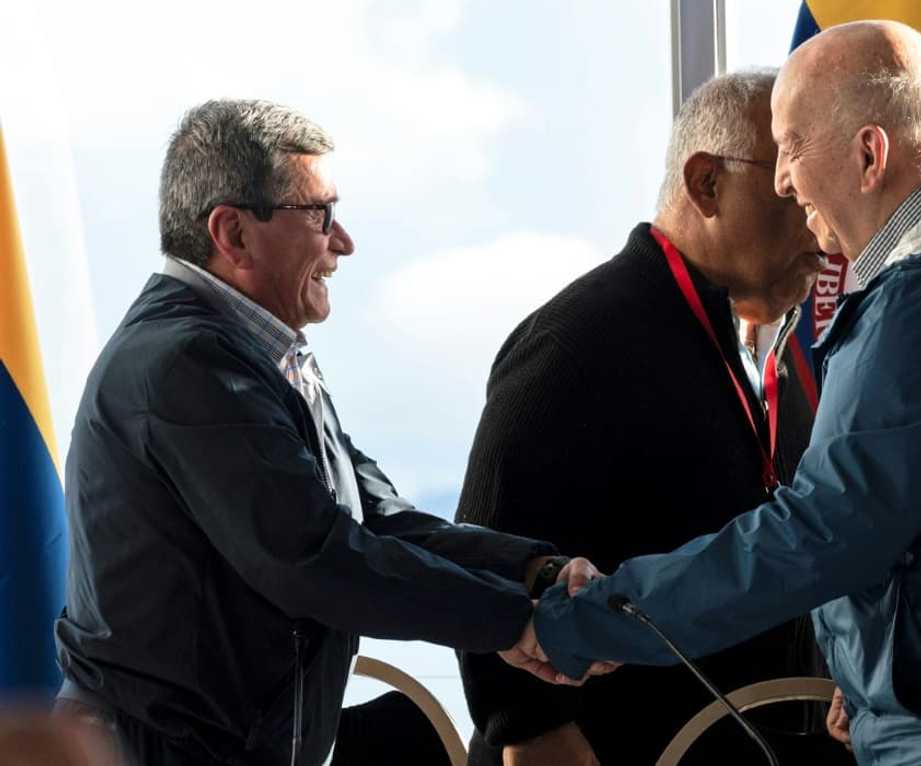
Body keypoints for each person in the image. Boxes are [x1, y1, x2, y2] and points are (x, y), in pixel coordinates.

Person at [526, 20, 921, 766]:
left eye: (794, 145)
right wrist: (870, 670)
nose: (783, 180)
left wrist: (579, 622)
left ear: (870, 154)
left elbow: (821, 536)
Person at [53, 99, 602, 766]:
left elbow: (377, 522)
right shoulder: (183, 365)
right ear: (233, 233)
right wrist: (518, 623)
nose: (344, 244)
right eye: (321, 216)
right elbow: (316, 557)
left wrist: (532, 574)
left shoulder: (254, 354)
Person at [455, 70, 851, 765]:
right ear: (707, 184)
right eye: (790, 188)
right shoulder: (577, 342)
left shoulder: (769, 339)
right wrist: (532, 729)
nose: (821, 216)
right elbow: (490, 561)